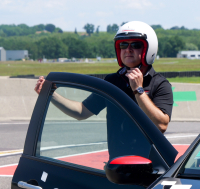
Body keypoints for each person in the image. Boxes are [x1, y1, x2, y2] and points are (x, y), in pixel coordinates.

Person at [34, 21, 173, 133]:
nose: (128, 50)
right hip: (117, 163)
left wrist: (139, 90)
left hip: (151, 164)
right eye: (123, 45)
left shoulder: (160, 84)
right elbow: (81, 111)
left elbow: (161, 125)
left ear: (148, 49)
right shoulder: (112, 81)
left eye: (135, 45)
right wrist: (51, 94)